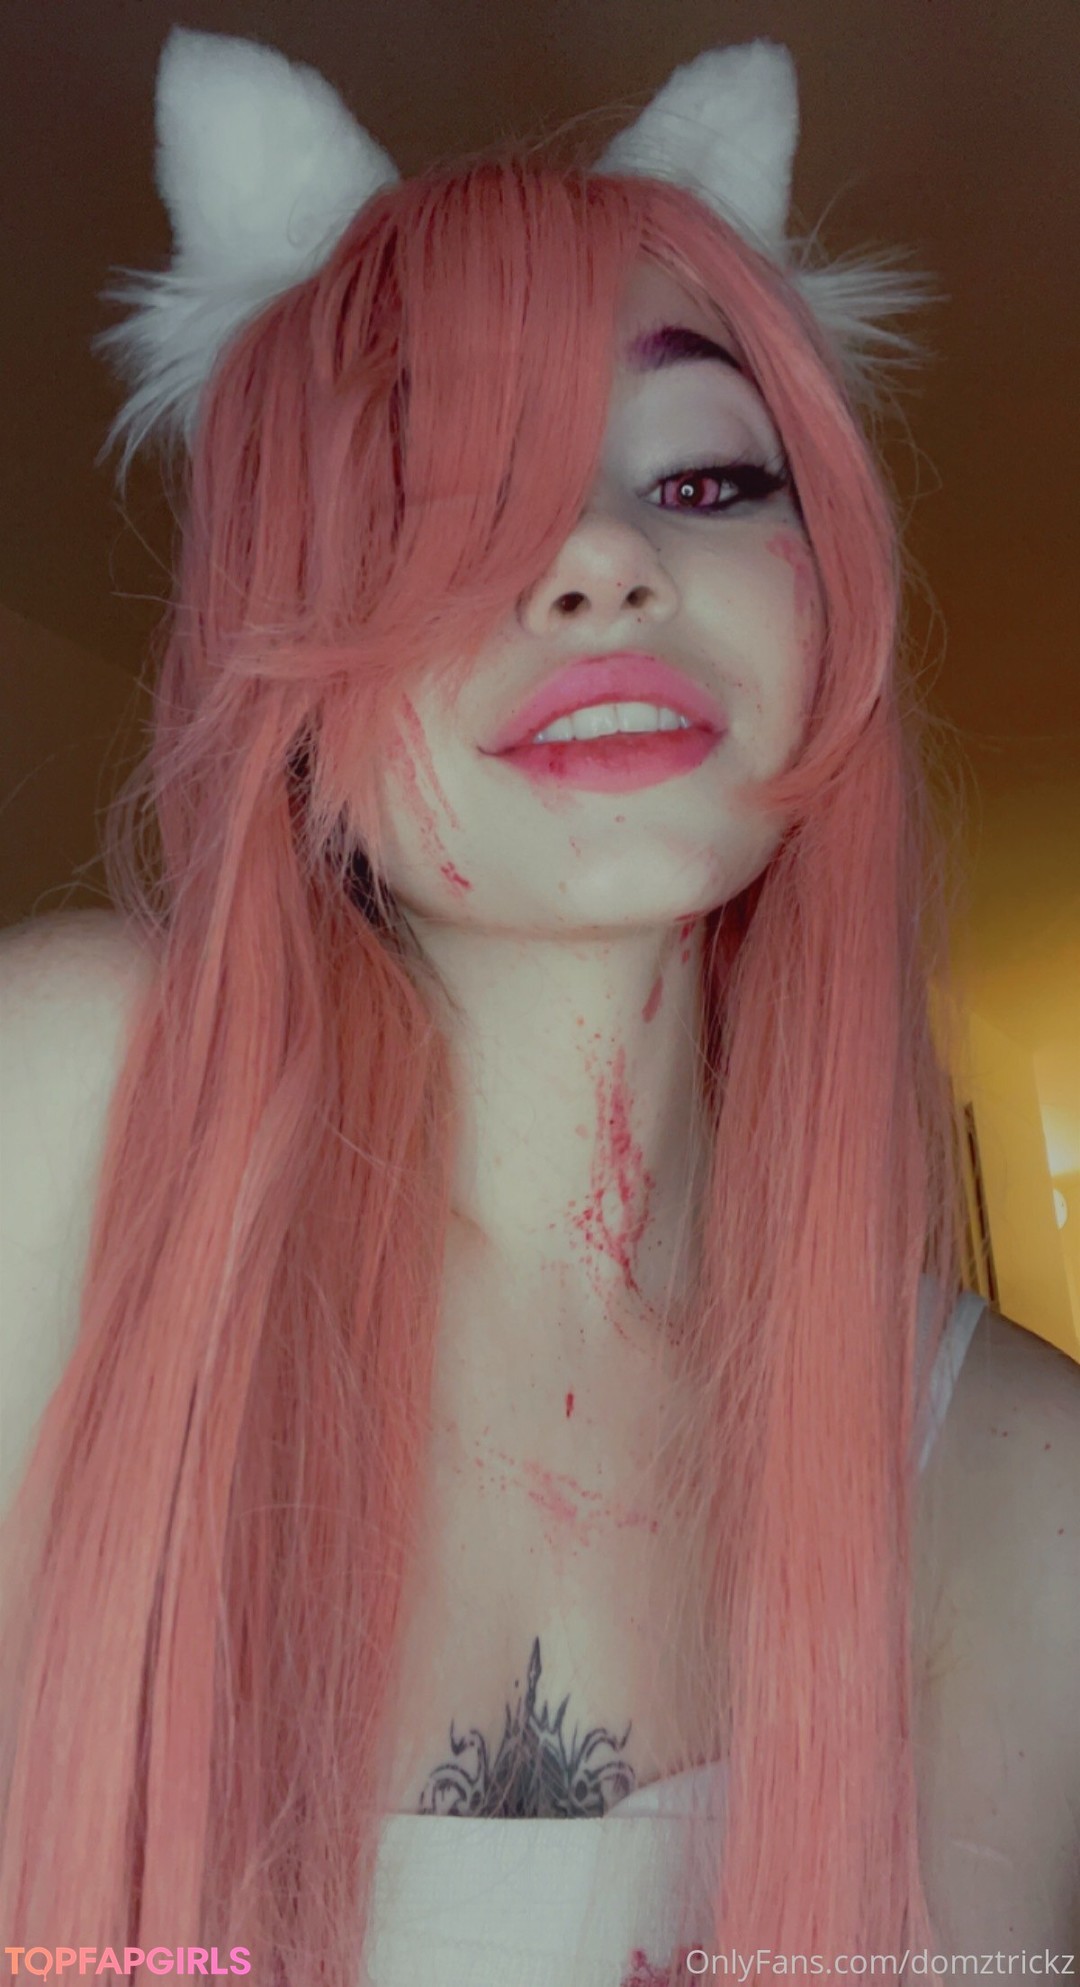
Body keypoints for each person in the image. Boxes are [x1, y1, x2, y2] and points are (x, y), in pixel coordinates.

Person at [1, 27, 1076, 1987]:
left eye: (706, 476)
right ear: (278, 668)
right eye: (442, 496)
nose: (596, 559)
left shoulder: (1025, 1475)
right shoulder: (78, 1112)